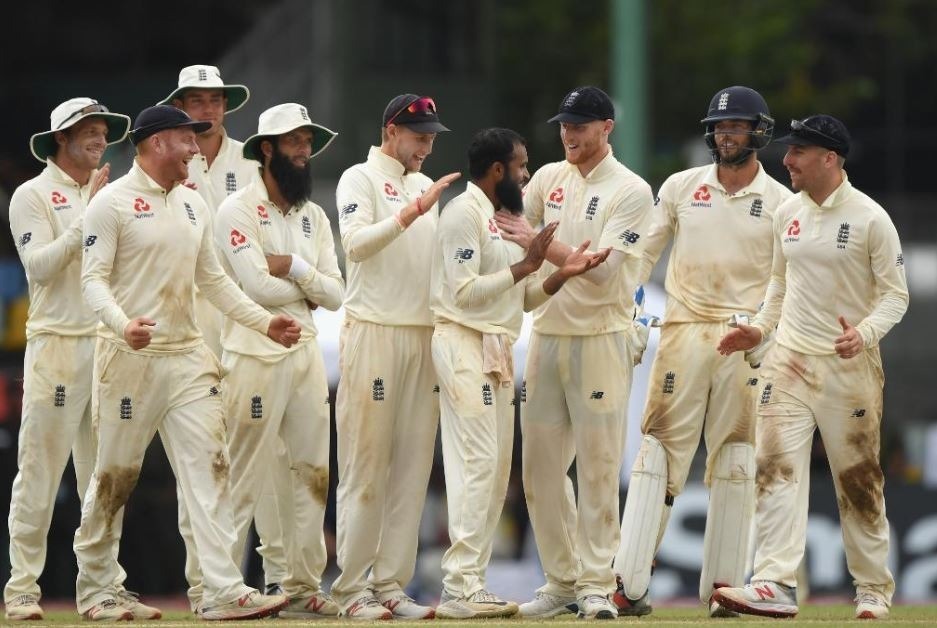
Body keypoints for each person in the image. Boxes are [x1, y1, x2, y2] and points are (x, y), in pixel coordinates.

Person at [73, 105, 299, 621]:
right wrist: (122, 325)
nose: (197, 150)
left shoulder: (194, 206)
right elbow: (93, 281)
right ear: (156, 144)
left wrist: (264, 322)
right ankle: (97, 589)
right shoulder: (110, 204)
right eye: (186, 141)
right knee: (115, 475)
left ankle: (221, 590)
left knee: (211, 470)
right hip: (129, 358)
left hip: (188, 358)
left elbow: (214, 281)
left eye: (197, 142)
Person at [713, 115, 909, 621]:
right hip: (789, 361)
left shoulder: (870, 218)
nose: (787, 160)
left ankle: (872, 589)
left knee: (858, 478)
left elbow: (895, 295)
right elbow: (780, 283)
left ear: (829, 158)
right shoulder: (788, 213)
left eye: (798, 152)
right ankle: (774, 583)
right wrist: (759, 329)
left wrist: (862, 334)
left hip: (850, 368)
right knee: (773, 467)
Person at [612, 86, 792, 618]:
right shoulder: (681, 187)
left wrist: (765, 333)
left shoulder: (781, 203)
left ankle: (725, 589)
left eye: (735, 126)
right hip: (685, 330)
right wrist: (626, 310)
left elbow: (787, 283)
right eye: (719, 127)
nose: (725, 135)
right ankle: (629, 584)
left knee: (736, 457)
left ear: (758, 131)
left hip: (744, 335)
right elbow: (642, 254)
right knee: (658, 448)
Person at [432, 128, 607, 620]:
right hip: (463, 340)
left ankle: (471, 583)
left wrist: (556, 273)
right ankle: (458, 587)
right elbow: (464, 293)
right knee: (478, 465)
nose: (526, 174)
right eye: (521, 165)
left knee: (494, 474)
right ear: (496, 171)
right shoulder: (461, 214)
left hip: (496, 345)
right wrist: (526, 264)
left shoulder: (502, 218)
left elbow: (521, 299)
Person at [496, 86, 654, 620]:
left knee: (598, 466)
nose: (569, 135)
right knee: (539, 471)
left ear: (606, 128)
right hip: (547, 332)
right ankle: (562, 580)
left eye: (580, 126)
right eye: (564, 125)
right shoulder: (547, 179)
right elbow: (514, 237)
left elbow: (605, 271)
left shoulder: (631, 190)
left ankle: (596, 583)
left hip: (602, 336)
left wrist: (537, 240)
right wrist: (545, 248)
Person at [4, 98, 160, 622]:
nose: (98, 139)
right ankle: (22, 589)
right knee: (40, 472)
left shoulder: (111, 195)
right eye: (87, 131)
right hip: (56, 346)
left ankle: (100, 590)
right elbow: (39, 267)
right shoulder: (32, 195)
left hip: (106, 346)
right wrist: (86, 217)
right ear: (60, 139)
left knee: (106, 475)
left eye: (101, 131)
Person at [162, 62, 289, 610]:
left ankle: (279, 574)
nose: (206, 110)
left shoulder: (252, 159)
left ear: (226, 107)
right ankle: (204, 583)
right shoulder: (166, 164)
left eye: (214, 101)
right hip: (188, 319)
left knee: (263, 444)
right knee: (203, 454)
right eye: (194, 101)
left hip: (247, 312)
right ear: (181, 107)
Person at [330, 94, 459, 620]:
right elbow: (356, 245)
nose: (426, 145)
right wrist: (411, 212)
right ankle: (351, 588)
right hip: (376, 332)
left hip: (422, 335)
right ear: (391, 131)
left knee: (411, 468)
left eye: (431, 137)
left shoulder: (425, 186)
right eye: (418, 136)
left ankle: (390, 584)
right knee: (366, 464)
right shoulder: (358, 178)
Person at [214, 102, 343, 619]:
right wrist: (302, 286)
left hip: (306, 350)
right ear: (267, 149)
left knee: (312, 469)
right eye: (294, 142)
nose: (304, 151)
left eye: (308, 142)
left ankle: (301, 586)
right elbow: (254, 285)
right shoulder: (236, 211)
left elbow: (336, 294)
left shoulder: (312, 215)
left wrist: (293, 265)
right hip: (251, 352)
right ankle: (220, 587)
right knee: (243, 473)